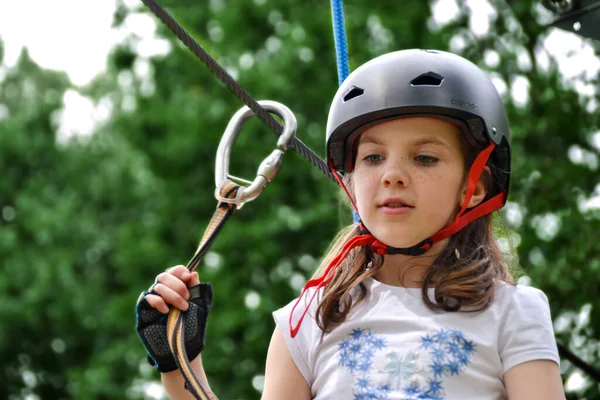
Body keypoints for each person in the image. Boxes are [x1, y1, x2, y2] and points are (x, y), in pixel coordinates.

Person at [136, 49, 566, 399]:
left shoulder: (513, 313)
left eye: (425, 158)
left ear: (473, 188)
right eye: (373, 157)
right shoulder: (309, 318)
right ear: (350, 180)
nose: (391, 174)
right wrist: (180, 362)